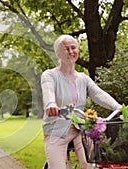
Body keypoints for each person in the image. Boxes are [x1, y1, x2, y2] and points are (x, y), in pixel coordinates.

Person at [41, 34, 122, 169]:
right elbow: (48, 91)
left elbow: (98, 94)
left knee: (91, 165)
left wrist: (117, 107)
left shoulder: (83, 78)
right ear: (58, 53)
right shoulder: (50, 75)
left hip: (80, 130)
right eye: (66, 49)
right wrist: (51, 104)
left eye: (73, 48)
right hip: (56, 131)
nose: (71, 51)